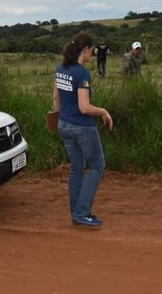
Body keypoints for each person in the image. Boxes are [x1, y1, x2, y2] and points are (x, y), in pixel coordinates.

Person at [53, 32, 114, 227]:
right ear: (86, 50)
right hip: (82, 127)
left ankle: (77, 213)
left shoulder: (61, 68)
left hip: (64, 125)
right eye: (91, 52)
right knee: (97, 166)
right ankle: (81, 213)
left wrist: (61, 118)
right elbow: (84, 107)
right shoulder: (82, 73)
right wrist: (103, 110)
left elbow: (56, 99)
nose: (91, 56)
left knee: (77, 169)